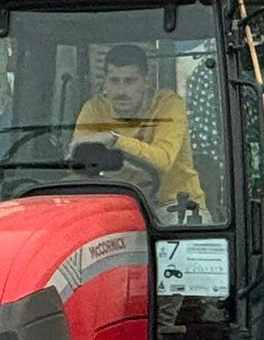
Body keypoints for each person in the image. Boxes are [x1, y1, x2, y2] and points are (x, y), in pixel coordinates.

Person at [72, 43, 205, 215]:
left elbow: (162, 161)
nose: (121, 91)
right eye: (114, 81)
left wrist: (113, 139)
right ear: (104, 82)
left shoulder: (169, 105)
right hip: (118, 203)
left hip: (173, 205)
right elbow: (79, 157)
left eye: (130, 81)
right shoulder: (94, 109)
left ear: (145, 81)